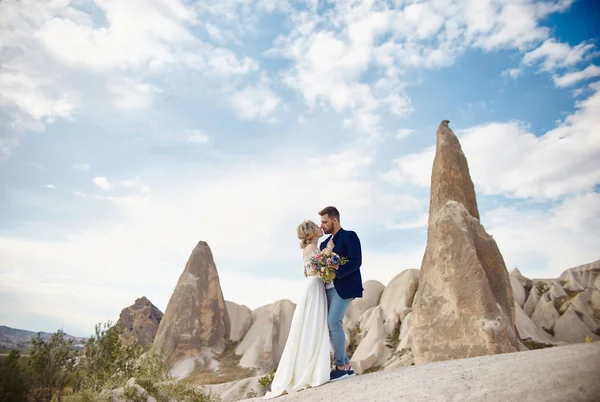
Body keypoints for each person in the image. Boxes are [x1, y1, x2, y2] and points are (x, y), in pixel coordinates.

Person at [264, 220, 330, 399]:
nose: (320, 227)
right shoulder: (310, 249)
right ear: (312, 232)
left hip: (316, 287)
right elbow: (319, 270)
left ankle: (312, 367)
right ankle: (310, 371)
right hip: (314, 288)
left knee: (314, 327)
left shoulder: (311, 249)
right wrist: (328, 251)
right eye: (317, 226)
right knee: (312, 327)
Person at [318, 206, 363, 382]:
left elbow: (356, 261)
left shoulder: (349, 236)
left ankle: (339, 366)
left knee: (333, 321)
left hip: (344, 287)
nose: (322, 226)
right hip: (326, 289)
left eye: (324, 222)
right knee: (330, 326)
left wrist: (337, 272)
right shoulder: (323, 244)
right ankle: (346, 367)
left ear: (334, 220)